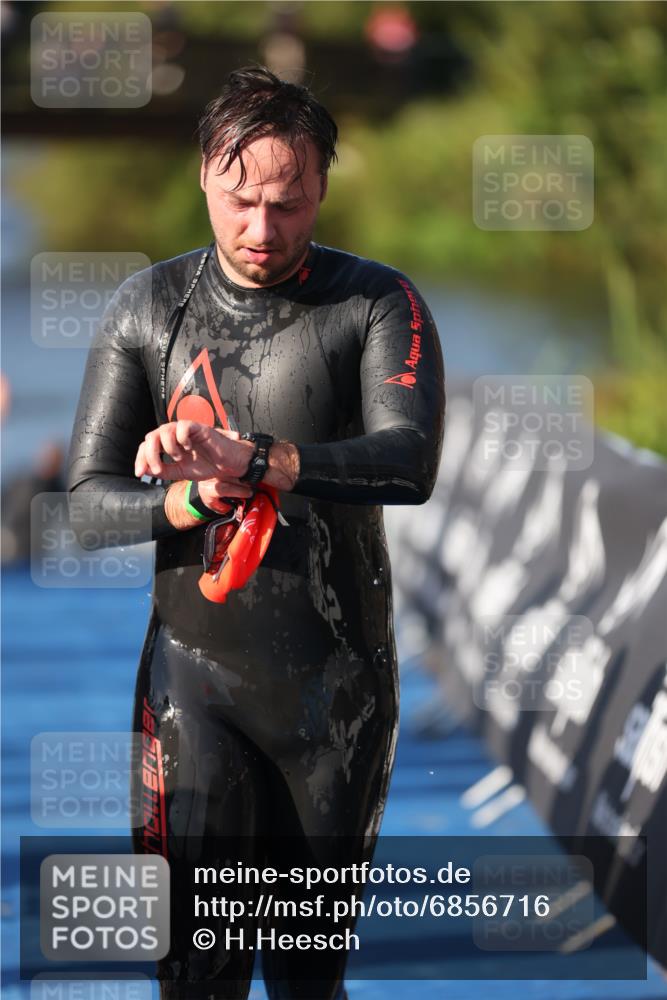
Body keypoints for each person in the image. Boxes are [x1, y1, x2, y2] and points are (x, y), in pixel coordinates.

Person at [67, 65, 445, 1000]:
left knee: (308, 982)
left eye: (286, 202)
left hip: (339, 690)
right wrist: (189, 501)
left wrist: (261, 460)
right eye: (239, 200)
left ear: (322, 186)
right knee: (195, 977)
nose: (260, 231)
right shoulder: (148, 310)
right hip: (194, 688)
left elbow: (409, 461)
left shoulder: (374, 304)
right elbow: (82, 504)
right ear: (203, 175)